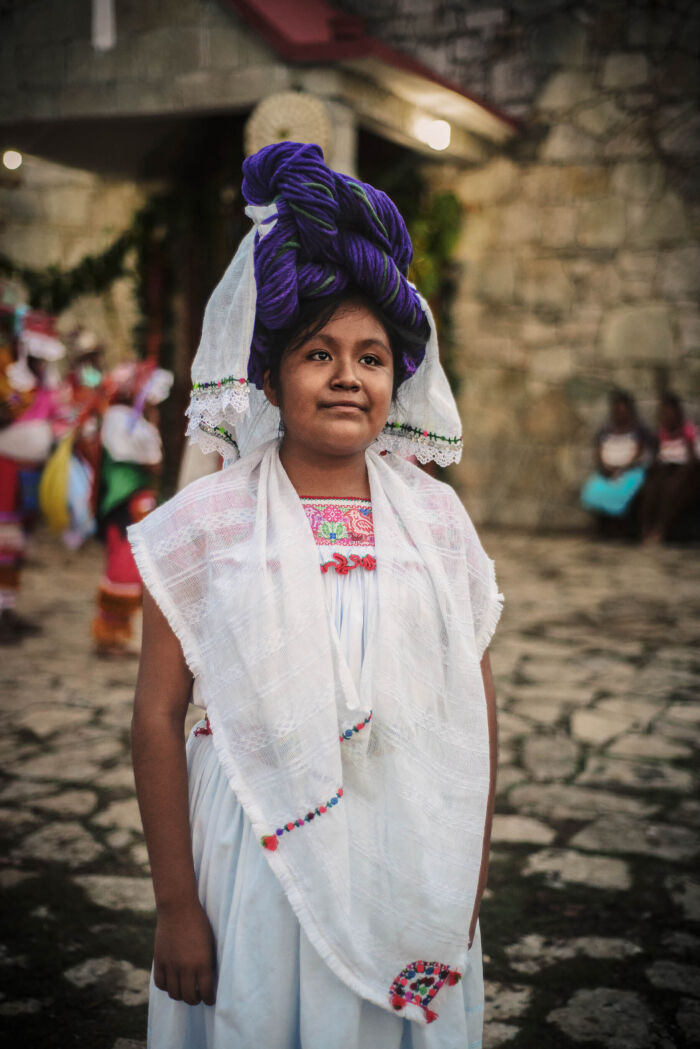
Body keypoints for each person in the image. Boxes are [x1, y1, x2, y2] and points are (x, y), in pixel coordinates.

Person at [129, 142, 502, 1049]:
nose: (348, 375)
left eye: (372, 356)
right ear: (266, 375)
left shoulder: (439, 527)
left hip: (407, 851)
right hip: (253, 857)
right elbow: (155, 717)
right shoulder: (207, 525)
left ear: (397, 379)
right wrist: (178, 905)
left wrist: (470, 881)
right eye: (317, 352)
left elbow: (476, 714)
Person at [91, 362, 172, 656]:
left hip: (133, 500)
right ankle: (110, 636)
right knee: (123, 566)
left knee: (130, 564)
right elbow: (152, 459)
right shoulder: (120, 419)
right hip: (123, 502)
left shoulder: (125, 419)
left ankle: (116, 634)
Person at [580, 390, 652, 538]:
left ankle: (623, 528)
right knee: (595, 489)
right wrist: (606, 468)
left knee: (625, 489)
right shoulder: (605, 430)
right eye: (617, 410)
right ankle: (603, 528)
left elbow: (640, 452)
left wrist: (623, 468)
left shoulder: (639, 430)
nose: (620, 413)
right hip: (607, 472)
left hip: (631, 471)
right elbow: (598, 452)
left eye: (623, 410)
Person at [641, 392, 700, 543]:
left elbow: (692, 459)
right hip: (664, 470)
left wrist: (679, 475)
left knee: (671, 489)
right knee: (651, 490)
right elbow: (656, 457)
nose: (666, 416)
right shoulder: (661, 433)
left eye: (669, 412)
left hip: (685, 472)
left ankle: (660, 529)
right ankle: (646, 529)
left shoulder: (689, 431)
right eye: (663, 413)